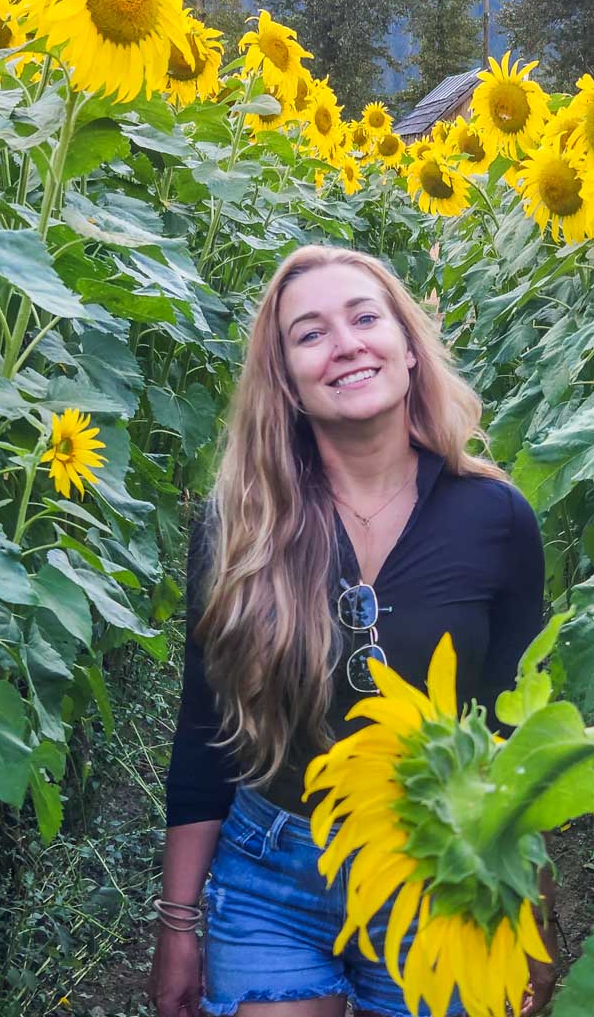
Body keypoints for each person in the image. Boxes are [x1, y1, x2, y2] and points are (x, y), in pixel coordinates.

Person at [149, 245, 553, 1017]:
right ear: (289, 383)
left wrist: (526, 904)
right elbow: (204, 731)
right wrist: (177, 923)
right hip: (274, 871)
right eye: (310, 334)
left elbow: (510, 732)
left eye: (365, 317)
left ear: (408, 343)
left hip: (438, 867)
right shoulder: (242, 527)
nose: (346, 344)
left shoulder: (497, 519)